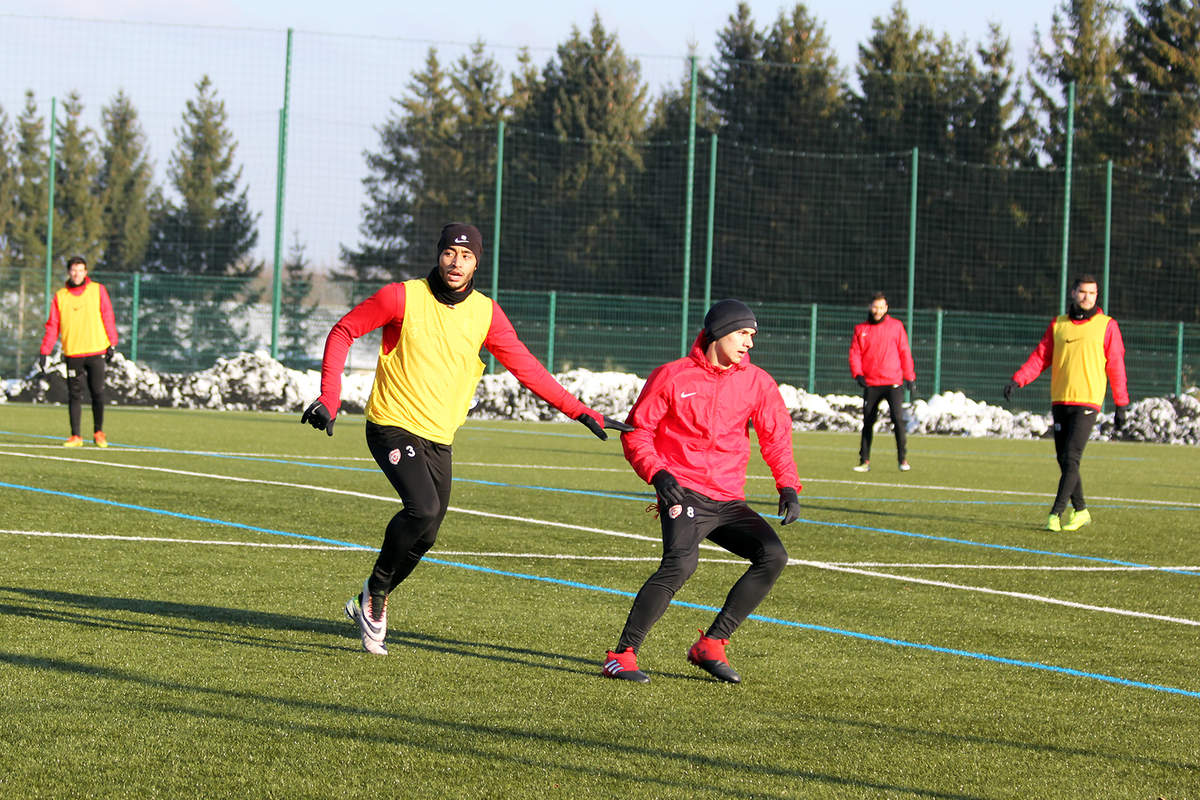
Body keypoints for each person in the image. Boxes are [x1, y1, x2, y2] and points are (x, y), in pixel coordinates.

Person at [301, 222, 629, 655]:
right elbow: (343, 330)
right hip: (391, 424)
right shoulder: (401, 296)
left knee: (428, 533)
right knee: (423, 508)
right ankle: (376, 597)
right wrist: (330, 396)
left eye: (467, 256)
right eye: (450, 254)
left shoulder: (486, 313)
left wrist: (581, 410)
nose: (456, 263)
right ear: (439, 254)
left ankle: (366, 597)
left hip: (439, 435)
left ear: (477, 262)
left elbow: (527, 368)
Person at [600, 299, 802, 685]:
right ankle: (621, 655)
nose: (750, 343)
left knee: (773, 555)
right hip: (684, 492)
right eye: (743, 333)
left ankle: (713, 643)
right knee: (681, 564)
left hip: (728, 498)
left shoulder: (757, 382)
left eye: (752, 335)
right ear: (720, 332)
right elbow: (638, 431)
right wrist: (658, 474)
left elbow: (777, 436)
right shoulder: (672, 376)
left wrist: (788, 486)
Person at [1004, 275, 1129, 532]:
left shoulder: (1107, 326)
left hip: (1088, 402)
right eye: (1083, 292)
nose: (1087, 297)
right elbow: (1040, 357)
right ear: (1073, 293)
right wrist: (1018, 380)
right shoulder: (1058, 325)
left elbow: (1116, 365)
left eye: (1092, 293)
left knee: (1071, 456)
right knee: (1064, 459)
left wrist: (1121, 404)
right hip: (1061, 400)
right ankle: (1081, 510)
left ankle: (1055, 514)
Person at [39, 256, 118, 448]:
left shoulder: (98, 290)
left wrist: (112, 343)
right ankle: (76, 436)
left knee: (97, 392)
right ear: (68, 272)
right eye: (74, 270)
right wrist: (45, 350)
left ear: (86, 272)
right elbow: (53, 325)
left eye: (81, 270)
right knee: (74, 395)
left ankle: (99, 432)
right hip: (73, 353)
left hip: (96, 350)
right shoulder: (61, 296)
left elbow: (107, 316)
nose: (77, 274)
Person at [848, 292, 916, 472]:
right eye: (875, 306)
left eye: (881, 307)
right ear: (870, 307)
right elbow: (855, 353)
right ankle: (865, 461)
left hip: (893, 382)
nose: (877, 310)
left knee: (897, 419)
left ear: (886, 308)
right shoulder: (861, 329)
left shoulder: (896, 326)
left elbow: (904, 351)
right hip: (871, 383)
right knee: (868, 421)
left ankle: (903, 460)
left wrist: (909, 376)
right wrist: (858, 374)